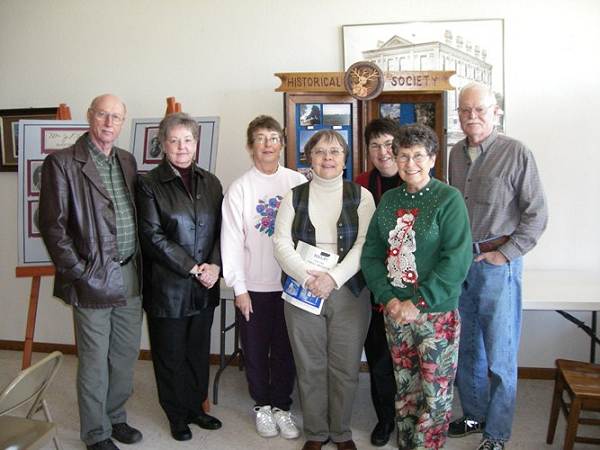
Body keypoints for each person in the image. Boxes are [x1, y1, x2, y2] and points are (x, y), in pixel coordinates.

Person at [447, 82, 548, 450]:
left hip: (498, 264)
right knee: (467, 347)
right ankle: (474, 414)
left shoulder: (516, 152)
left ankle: (498, 432)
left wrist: (505, 254)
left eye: (480, 110)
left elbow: (536, 214)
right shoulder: (455, 153)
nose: (471, 117)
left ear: (496, 112)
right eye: (464, 110)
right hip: (462, 264)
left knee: (501, 353)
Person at [39, 94, 143, 450]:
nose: (109, 122)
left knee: (125, 356)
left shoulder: (127, 161)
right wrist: (79, 273)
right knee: (95, 360)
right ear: (90, 117)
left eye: (116, 116)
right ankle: (95, 433)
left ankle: (115, 417)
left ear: (123, 122)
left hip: (130, 274)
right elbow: (53, 227)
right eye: (103, 115)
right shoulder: (63, 163)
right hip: (93, 278)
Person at [361, 124, 472, 450]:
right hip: (395, 313)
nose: (410, 163)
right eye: (404, 155)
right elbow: (371, 256)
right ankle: (407, 443)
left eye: (418, 156)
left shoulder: (448, 199)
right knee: (406, 389)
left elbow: (456, 260)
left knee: (435, 394)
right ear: (395, 157)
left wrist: (418, 302)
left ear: (433, 158)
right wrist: (388, 299)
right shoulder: (390, 200)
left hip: (435, 315)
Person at [273, 130, 376, 450]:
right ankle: (316, 432)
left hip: (349, 291)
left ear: (345, 158)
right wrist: (307, 277)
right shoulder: (294, 196)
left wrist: (333, 278)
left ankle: (341, 431)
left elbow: (364, 244)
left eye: (334, 151)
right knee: (310, 364)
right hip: (303, 291)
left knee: (345, 365)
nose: (327, 158)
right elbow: (280, 243)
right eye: (320, 152)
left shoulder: (362, 197)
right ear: (309, 158)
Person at [136, 112, 223, 442]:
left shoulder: (211, 182)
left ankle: (196, 408)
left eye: (188, 140)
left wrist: (214, 266)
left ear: (196, 143)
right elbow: (152, 236)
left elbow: (220, 231)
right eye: (174, 140)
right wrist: (193, 268)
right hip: (167, 288)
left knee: (198, 352)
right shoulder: (148, 184)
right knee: (170, 355)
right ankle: (176, 415)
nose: (181, 147)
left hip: (205, 286)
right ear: (163, 144)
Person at [221, 115, 306, 439]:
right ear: (250, 146)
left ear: (282, 144)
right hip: (254, 287)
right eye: (261, 138)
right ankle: (262, 406)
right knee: (255, 350)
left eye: (274, 137)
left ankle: (282, 406)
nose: (268, 144)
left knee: (286, 349)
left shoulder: (297, 182)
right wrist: (239, 289)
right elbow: (230, 241)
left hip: (290, 285)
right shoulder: (240, 188)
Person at [355, 118, 402, 447]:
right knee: (380, 360)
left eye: (388, 144)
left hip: (411, 290)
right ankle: (385, 420)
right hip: (373, 287)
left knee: (410, 361)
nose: (383, 152)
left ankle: (411, 421)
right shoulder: (359, 183)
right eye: (375, 146)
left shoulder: (416, 179)